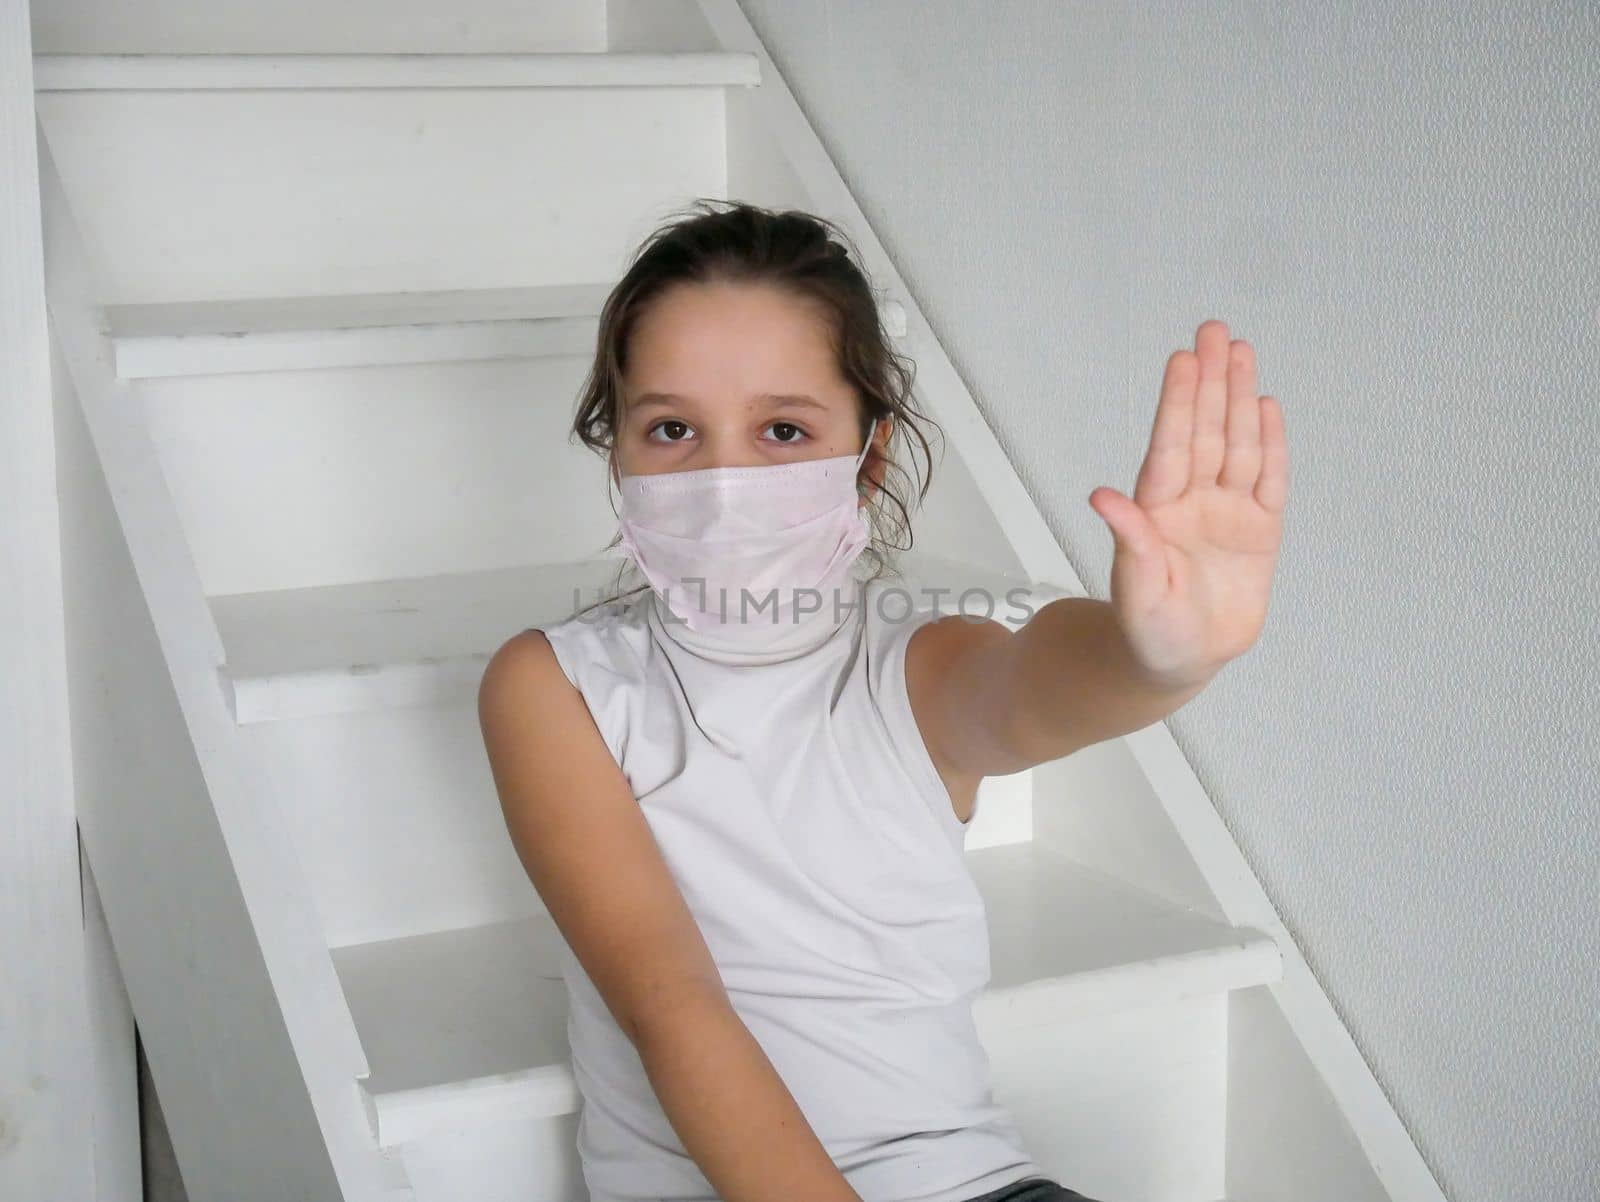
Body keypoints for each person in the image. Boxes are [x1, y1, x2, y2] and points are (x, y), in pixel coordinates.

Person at [478, 200, 1288, 1202]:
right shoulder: (557, 684)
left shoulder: (915, 662)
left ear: (869, 456)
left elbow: (1037, 681)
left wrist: (1157, 658)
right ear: (618, 451)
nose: (725, 478)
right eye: (671, 428)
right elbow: (672, 1006)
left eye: (782, 429)